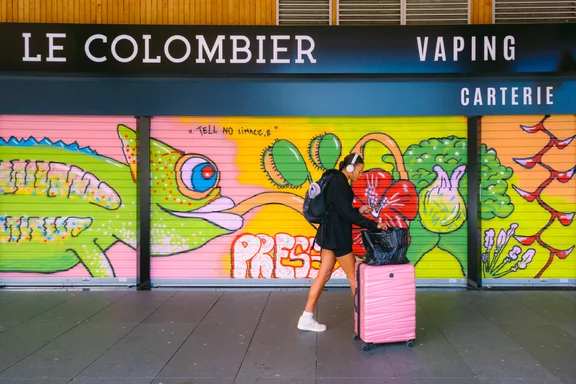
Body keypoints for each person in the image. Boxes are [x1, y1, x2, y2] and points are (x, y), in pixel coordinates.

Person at [297, 152, 387, 332]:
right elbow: (345, 214)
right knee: (354, 277)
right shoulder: (339, 182)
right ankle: (364, 321)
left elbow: (340, 209)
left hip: (329, 234)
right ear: (351, 168)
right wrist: (374, 224)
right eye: (359, 171)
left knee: (324, 274)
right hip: (338, 236)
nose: (359, 175)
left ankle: (306, 317)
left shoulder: (334, 180)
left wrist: (358, 209)